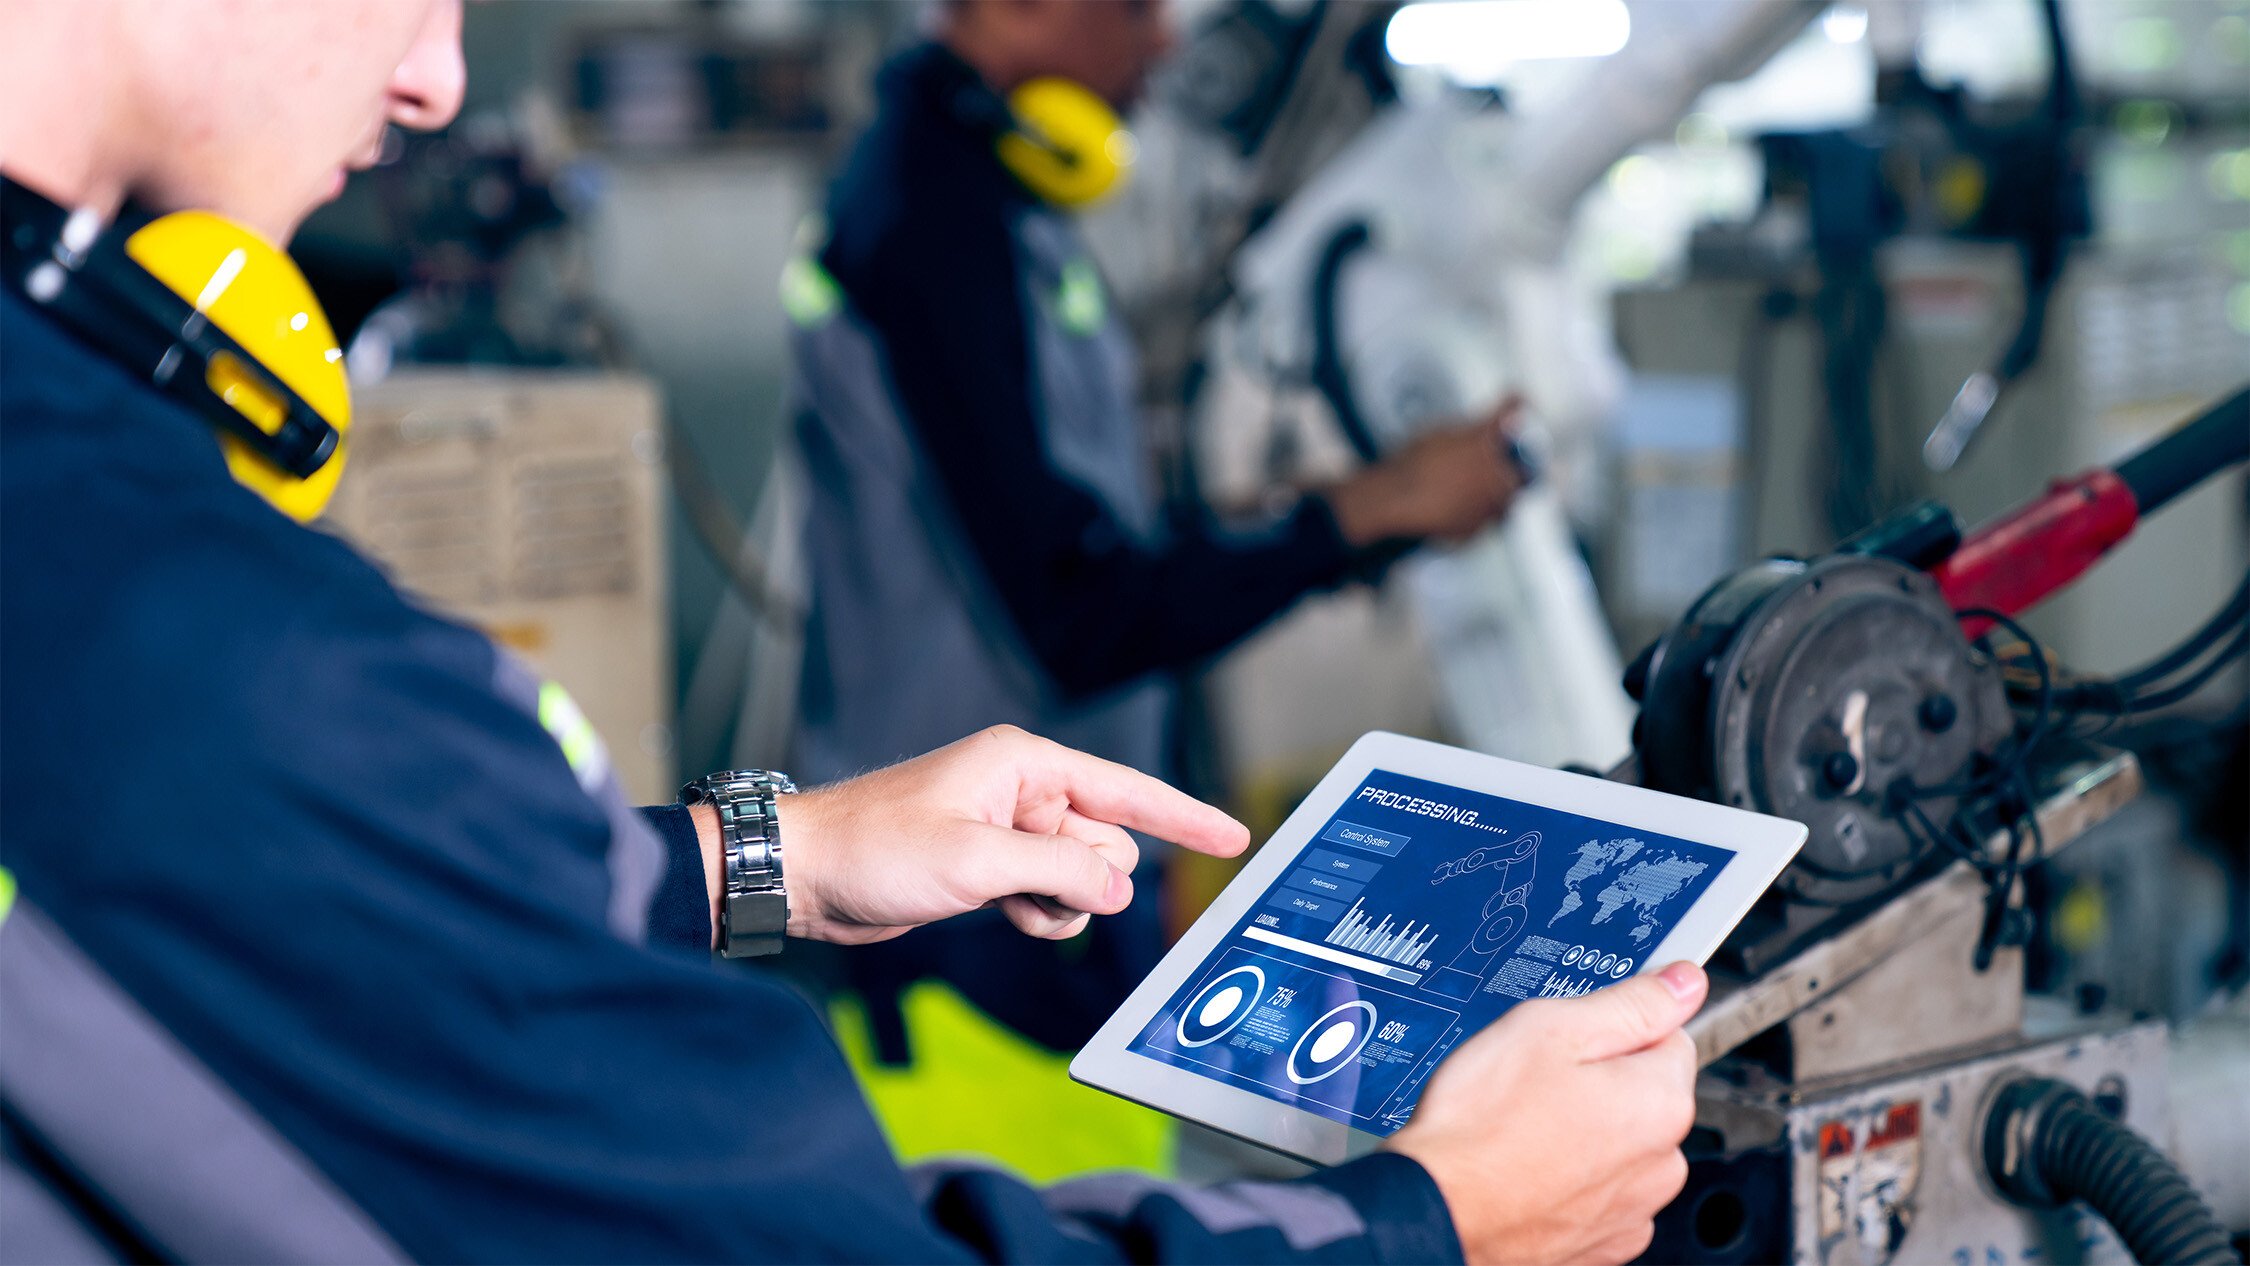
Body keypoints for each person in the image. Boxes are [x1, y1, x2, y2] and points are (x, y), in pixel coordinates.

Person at [0, 2, 1702, 1262]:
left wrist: (787, 853)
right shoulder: (199, 638)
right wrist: (1432, 1218)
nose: (440, 75)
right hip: (984, 1009)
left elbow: (313, 902)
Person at [787, 0, 1526, 1075]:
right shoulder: (933, 213)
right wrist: (1367, 512)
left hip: (1033, 863)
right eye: (1135, 7)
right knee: (1024, 1234)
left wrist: (1318, 519)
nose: (1167, 41)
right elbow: (1081, 614)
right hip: (972, 914)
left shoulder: (988, 191)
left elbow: (1058, 523)